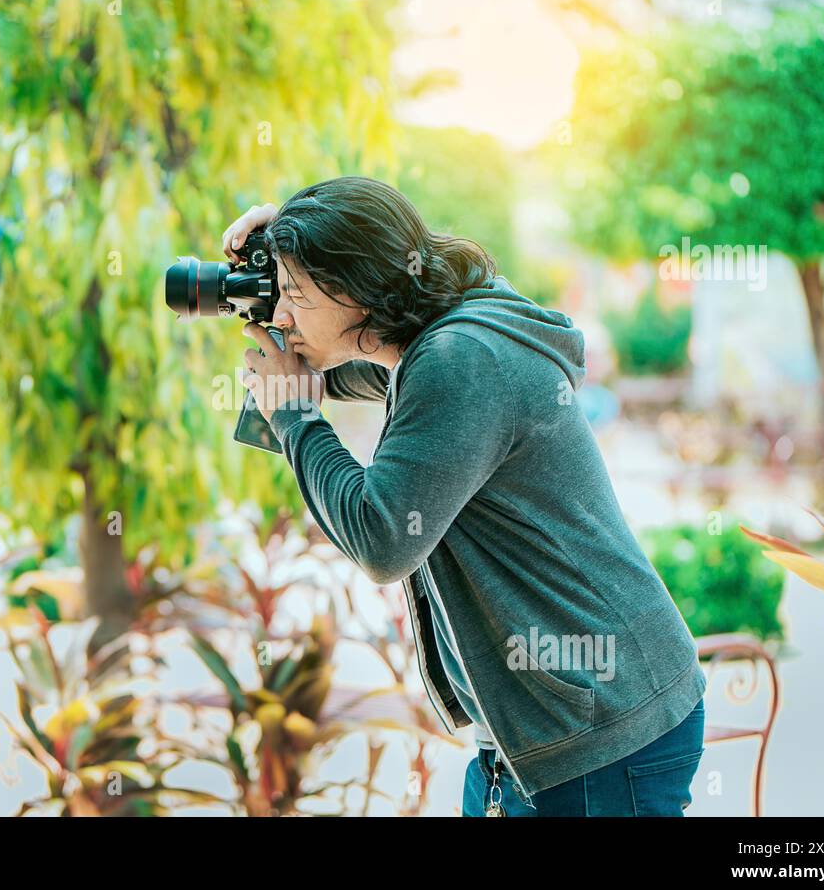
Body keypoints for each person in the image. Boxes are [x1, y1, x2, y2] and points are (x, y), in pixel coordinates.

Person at [225, 177, 707, 816]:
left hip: (599, 732)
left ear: (358, 288)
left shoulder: (461, 358)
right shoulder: (443, 334)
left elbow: (383, 538)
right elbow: (347, 371)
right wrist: (282, 247)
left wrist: (294, 419)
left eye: (295, 295)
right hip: (539, 732)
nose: (280, 315)